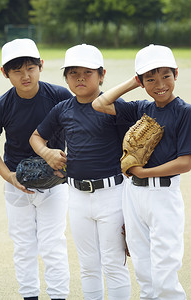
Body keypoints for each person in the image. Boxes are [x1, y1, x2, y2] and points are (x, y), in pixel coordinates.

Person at [92, 44, 191, 299]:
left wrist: (143, 172)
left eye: (165, 75)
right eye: (150, 78)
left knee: (165, 267)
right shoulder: (142, 107)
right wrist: (134, 82)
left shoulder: (184, 111)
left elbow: (185, 162)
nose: (159, 84)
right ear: (142, 82)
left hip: (163, 195)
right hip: (134, 195)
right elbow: (100, 103)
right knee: (142, 265)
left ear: (176, 74)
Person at [30, 44, 132, 300]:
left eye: (88, 72)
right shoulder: (63, 109)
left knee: (113, 263)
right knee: (88, 266)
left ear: (101, 74)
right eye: (73, 73)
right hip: (76, 195)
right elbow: (36, 137)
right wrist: (47, 153)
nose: (80, 78)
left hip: (113, 193)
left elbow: (132, 152)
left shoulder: (114, 107)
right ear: (66, 77)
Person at [0, 38, 71, 300]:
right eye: (17, 70)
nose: (25, 75)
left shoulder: (60, 97)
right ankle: (29, 296)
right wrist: (7, 175)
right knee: (23, 248)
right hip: (17, 186)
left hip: (55, 185)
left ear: (41, 66)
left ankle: (58, 297)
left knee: (53, 245)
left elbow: (79, 131)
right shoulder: (1, 106)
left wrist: (69, 164)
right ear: (4, 73)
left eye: (30, 67)